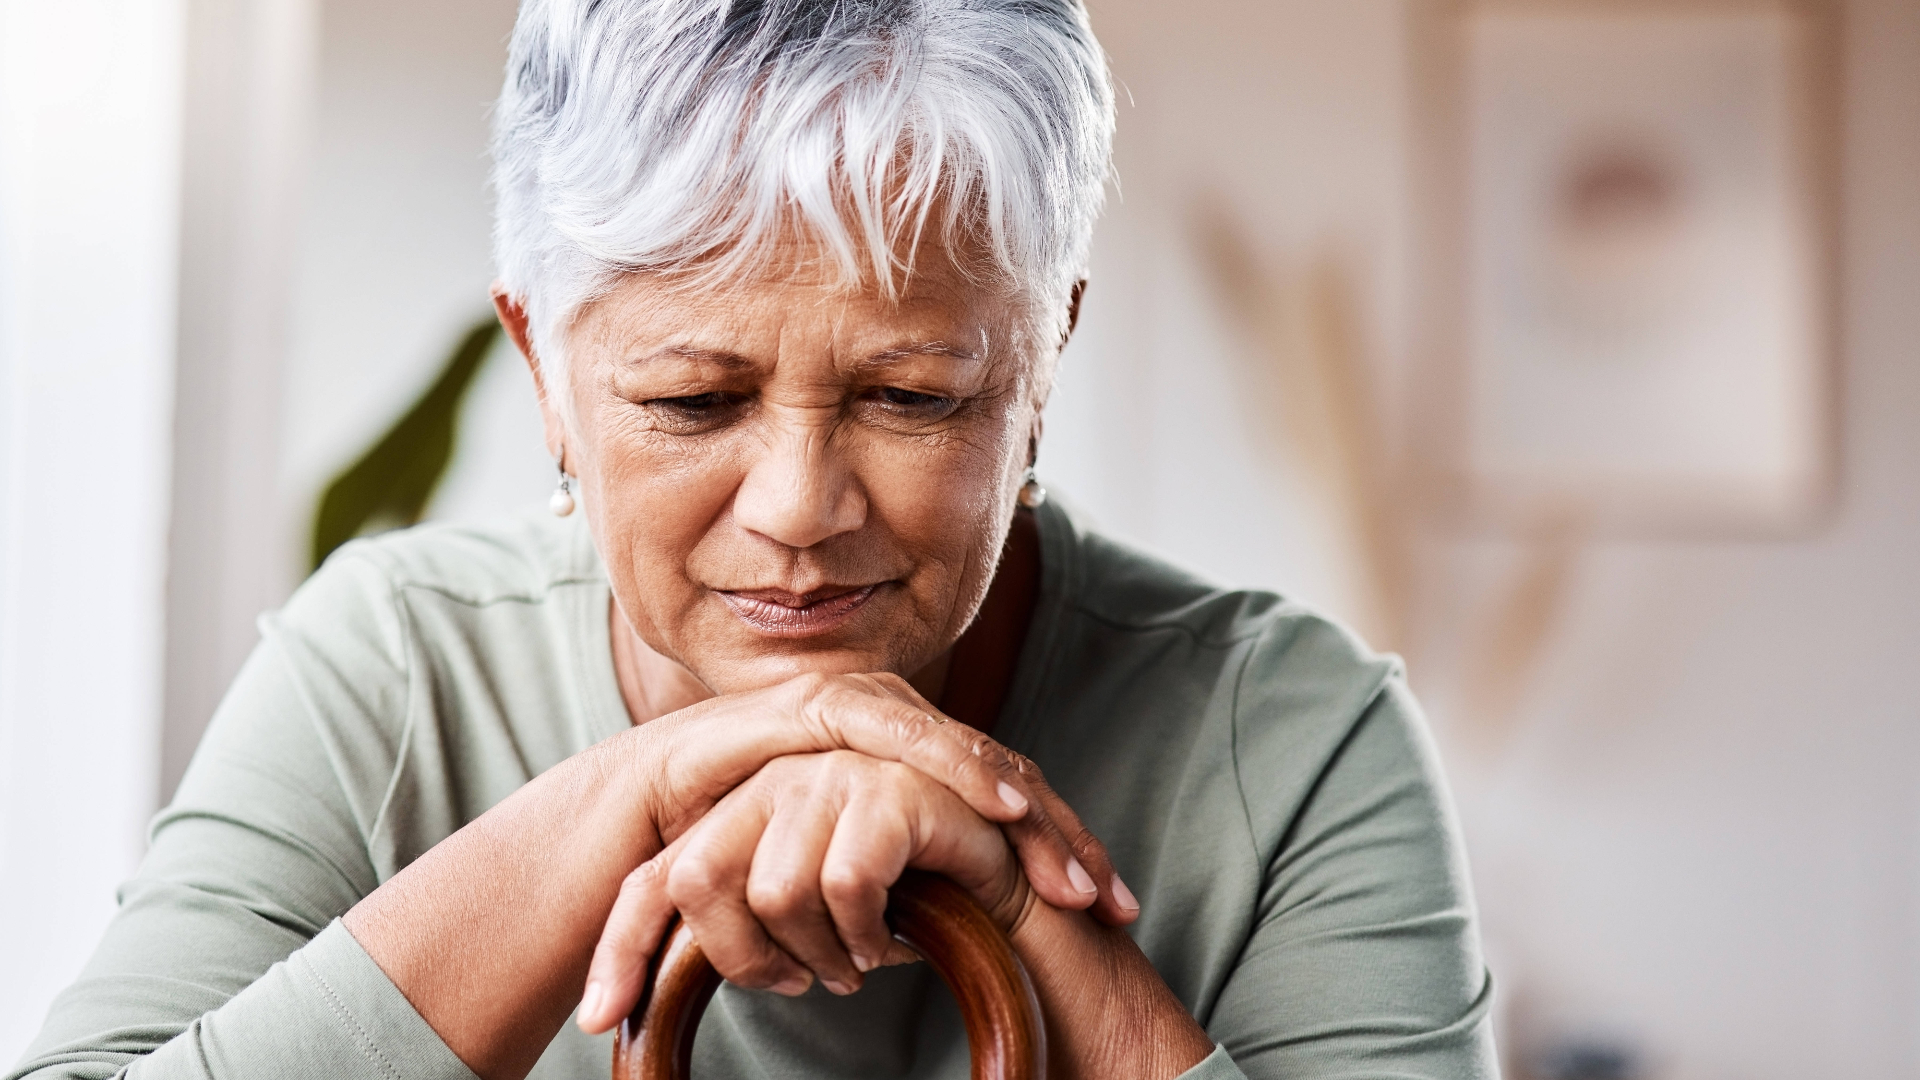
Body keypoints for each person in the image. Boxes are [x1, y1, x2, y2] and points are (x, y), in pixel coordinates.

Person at [8, 0, 1496, 1077]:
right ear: (543, 372)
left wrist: (1015, 908)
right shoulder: (393, 666)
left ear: (1040, 370)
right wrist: (645, 791)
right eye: (691, 396)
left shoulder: (1295, 737)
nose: (797, 506)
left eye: (913, 396)